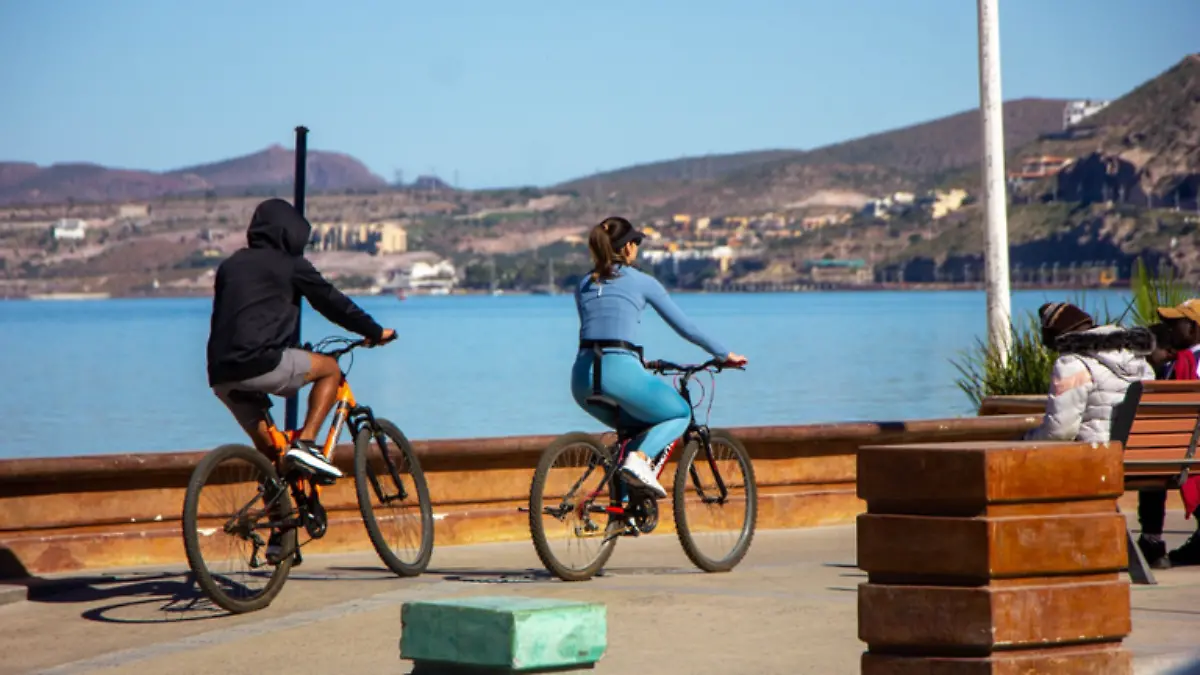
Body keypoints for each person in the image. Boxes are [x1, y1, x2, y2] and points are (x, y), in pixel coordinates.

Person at [207, 198, 395, 482]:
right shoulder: (290, 264)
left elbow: (250, 317)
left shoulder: (230, 266)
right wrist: (374, 331)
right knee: (330, 369)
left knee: (274, 457)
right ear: (289, 233)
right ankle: (306, 443)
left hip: (220, 373)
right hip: (261, 362)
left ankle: (279, 506)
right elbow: (332, 302)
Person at [572, 216, 746, 499]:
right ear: (627, 247)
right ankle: (640, 460)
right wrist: (724, 354)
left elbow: (600, 329)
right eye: (636, 242)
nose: (637, 248)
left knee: (636, 430)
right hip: (619, 373)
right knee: (680, 413)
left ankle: (625, 510)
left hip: (582, 378)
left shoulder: (582, 285)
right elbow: (686, 327)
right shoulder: (642, 282)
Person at [1024, 302, 1154, 444]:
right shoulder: (1139, 359)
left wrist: (1027, 439)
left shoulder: (1072, 363)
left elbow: (1061, 431)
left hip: (1099, 453)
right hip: (1144, 450)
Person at [1151, 299, 1200, 566]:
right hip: (1185, 449)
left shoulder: (1185, 362)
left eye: (1174, 323)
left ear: (1193, 328)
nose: (1168, 329)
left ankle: (1151, 539)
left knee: (1151, 465)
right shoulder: (1180, 361)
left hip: (1179, 451)